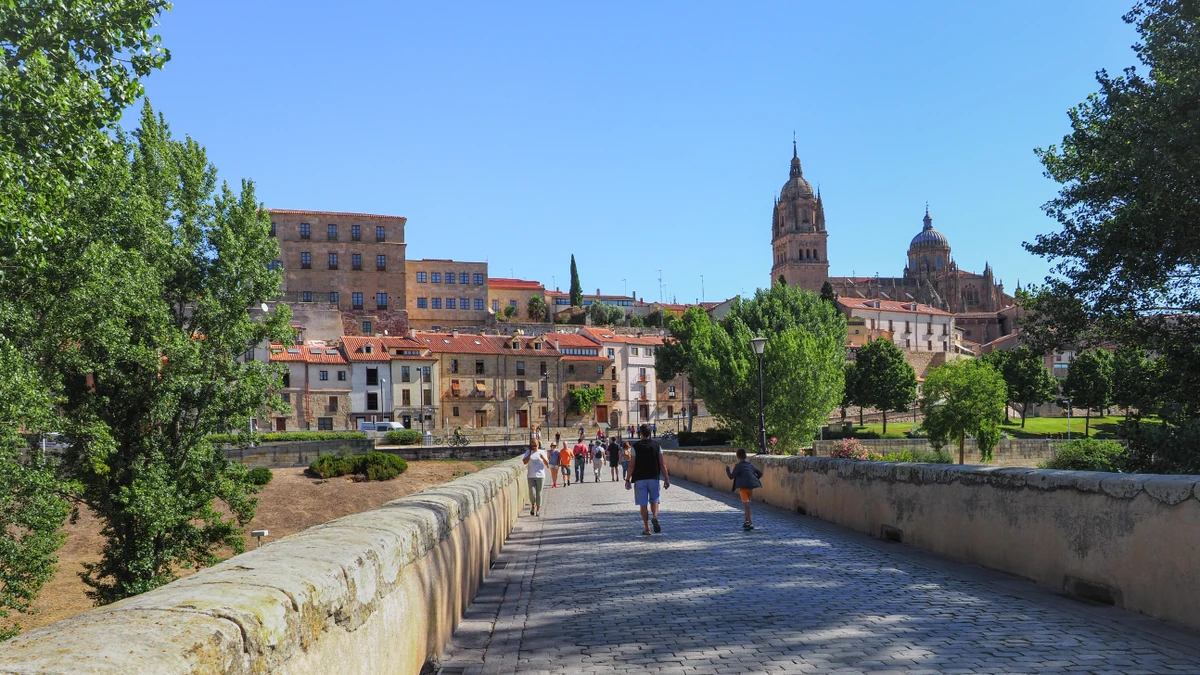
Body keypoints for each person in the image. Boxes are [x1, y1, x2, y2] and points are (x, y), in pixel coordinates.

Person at [625, 424, 670, 535]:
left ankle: (647, 528)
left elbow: (632, 465)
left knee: (643, 504)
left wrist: (627, 479)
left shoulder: (635, 446)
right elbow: (662, 463)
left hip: (640, 478)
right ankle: (654, 516)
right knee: (655, 500)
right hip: (654, 477)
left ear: (640, 433)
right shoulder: (657, 445)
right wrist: (667, 478)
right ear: (650, 433)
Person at [726, 448, 764, 531]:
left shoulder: (738, 466)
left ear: (737, 456)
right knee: (747, 503)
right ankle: (746, 521)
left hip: (743, 487)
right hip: (750, 486)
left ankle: (750, 522)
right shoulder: (750, 465)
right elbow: (760, 473)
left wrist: (727, 470)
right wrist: (755, 478)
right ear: (745, 456)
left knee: (746, 504)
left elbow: (731, 477)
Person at [522, 439, 550, 517]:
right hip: (531, 475)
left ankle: (538, 510)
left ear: (538, 445)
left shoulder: (542, 452)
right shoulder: (528, 452)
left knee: (539, 493)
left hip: (540, 476)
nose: (534, 447)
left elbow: (547, 465)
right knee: (532, 493)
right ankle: (533, 506)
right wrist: (530, 455)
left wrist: (543, 458)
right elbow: (524, 462)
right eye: (532, 445)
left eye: (535, 445)